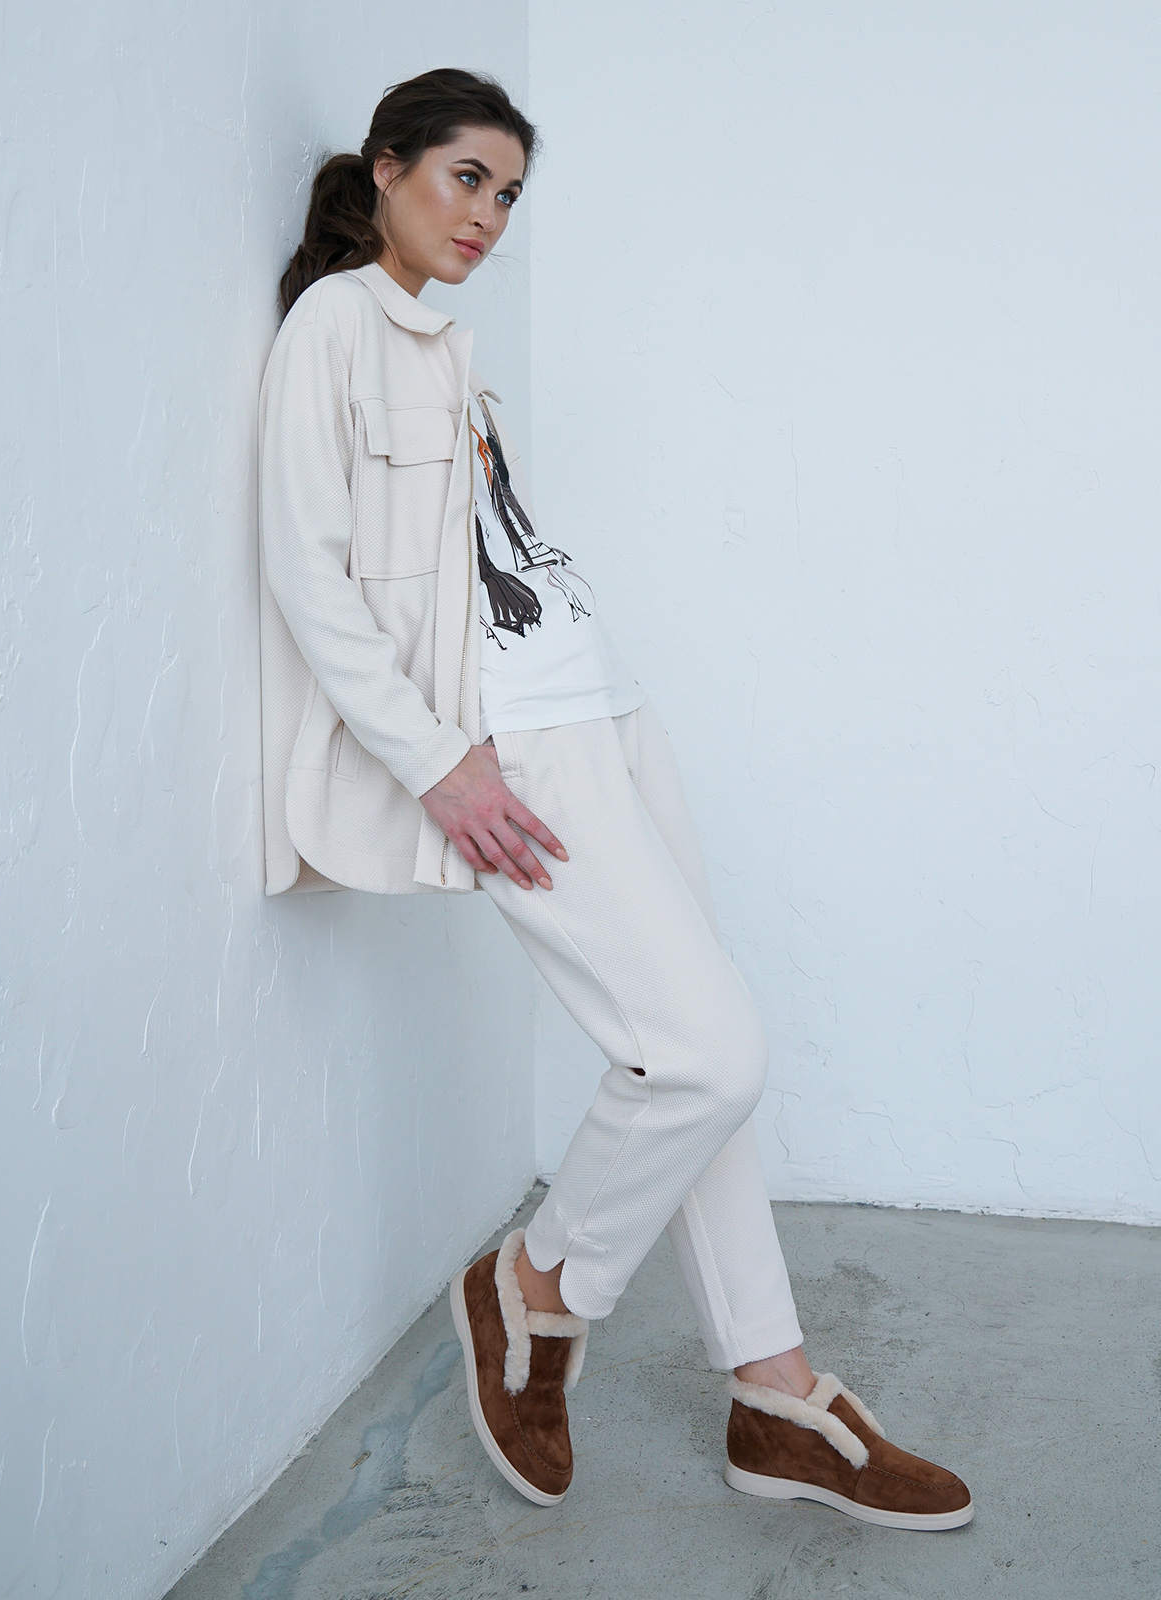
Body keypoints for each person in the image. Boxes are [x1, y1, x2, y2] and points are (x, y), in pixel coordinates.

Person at [258, 66, 973, 1531]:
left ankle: (773, 1390)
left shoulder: (447, 349)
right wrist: (437, 761)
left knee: (698, 1051)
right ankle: (536, 1284)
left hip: (606, 705)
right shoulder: (333, 327)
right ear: (388, 167)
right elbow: (306, 574)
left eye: (509, 194)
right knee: (710, 1054)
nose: (488, 214)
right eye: (466, 177)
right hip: (515, 748)